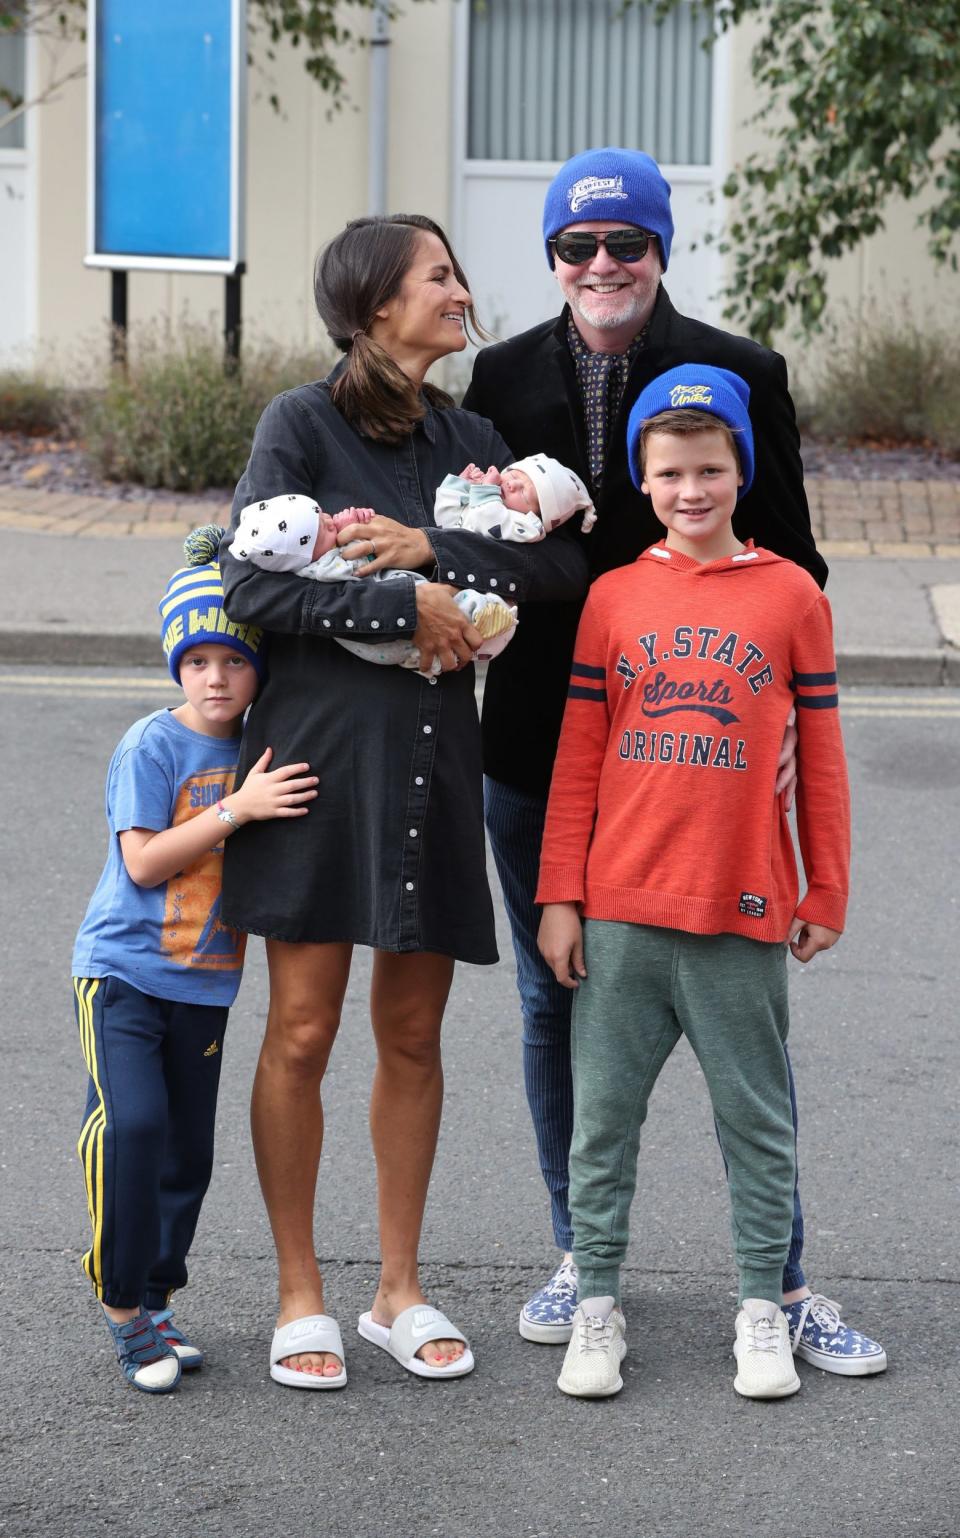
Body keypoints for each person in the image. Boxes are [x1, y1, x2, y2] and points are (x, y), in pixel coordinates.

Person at [464, 145, 886, 1373]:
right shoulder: (498, 376)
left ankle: (785, 1277)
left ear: (659, 249)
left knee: (746, 1031)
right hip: (544, 737)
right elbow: (477, 547)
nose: (603, 266)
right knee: (560, 1005)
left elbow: (796, 561)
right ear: (552, 258)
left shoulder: (742, 371)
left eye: (626, 244)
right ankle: (579, 1259)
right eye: (578, 247)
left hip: (703, 754)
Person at [218, 213, 588, 1389]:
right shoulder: (301, 422)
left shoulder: (471, 432)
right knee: (306, 1027)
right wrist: (401, 610)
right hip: (316, 762)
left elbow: (557, 570)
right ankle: (299, 1292)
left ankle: (397, 1288)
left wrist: (425, 552)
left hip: (436, 762)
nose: (461, 290)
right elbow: (248, 580)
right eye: (438, 274)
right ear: (376, 303)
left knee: (414, 1032)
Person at [536, 364, 853, 1398]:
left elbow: (826, 759)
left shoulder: (792, 597)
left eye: (710, 468)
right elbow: (579, 754)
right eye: (670, 471)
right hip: (622, 910)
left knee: (759, 1122)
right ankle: (597, 1308)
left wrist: (825, 888)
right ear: (645, 476)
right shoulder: (614, 598)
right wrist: (559, 893)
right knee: (602, 1123)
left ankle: (764, 1308)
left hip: (742, 911)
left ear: (739, 471)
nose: (690, 489)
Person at [71, 548, 318, 1394]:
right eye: (198, 661)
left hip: (206, 986)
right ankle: (118, 1300)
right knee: (132, 1127)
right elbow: (142, 865)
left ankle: (156, 1297)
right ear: (177, 663)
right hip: (123, 975)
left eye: (235, 660)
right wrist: (235, 808)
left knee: (186, 1157)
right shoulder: (153, 743)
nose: (216, 678)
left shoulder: (261, 748)